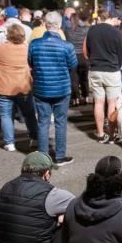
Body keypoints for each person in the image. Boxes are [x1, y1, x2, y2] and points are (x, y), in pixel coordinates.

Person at [29, 12, 77, 166]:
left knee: (43, 122)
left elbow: (31, 62)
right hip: (61, 88)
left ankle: (43, 156)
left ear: (45, 24)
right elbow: (73, 65)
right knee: (60, 122)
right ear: (60, 25)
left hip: (41, 88)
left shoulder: (34, 44)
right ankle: (60, 156)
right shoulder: (67, 46)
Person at [0, 24, 39, 152]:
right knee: (29, 114)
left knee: (6, 115)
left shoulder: (1, 48)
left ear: (8, 35)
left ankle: (9, 143)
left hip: (3, 87)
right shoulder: (27, 48)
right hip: (23, 87)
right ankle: (35, 138)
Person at [85, 12, 122, 144]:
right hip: (112, 70)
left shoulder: (92, 30)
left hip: (95, 69)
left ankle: (101, 134)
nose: (118, 22)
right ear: (112, 18)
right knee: (112, 103)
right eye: (117, 19)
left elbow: (88, 50)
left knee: (98, 102)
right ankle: (112, 135)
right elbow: (120, 55)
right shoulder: (116, 33)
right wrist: (117, 66)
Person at [66, 10, 91, 106]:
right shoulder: (86, 29)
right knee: (84, 78)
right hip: (83, 56)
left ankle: (75, 98)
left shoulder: (68, 31)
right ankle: (86, 97)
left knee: (74, 79)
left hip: (72, 56)